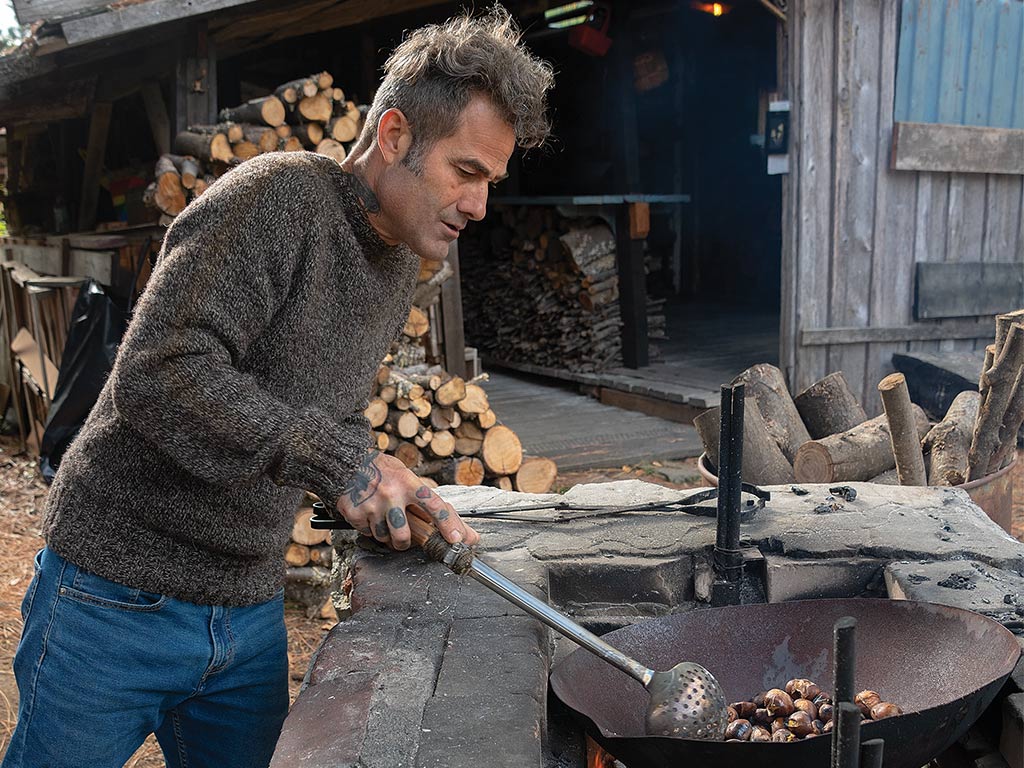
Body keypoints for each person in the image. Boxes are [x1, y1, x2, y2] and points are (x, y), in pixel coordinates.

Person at [2, 7, 553, 767]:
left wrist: (376, 471)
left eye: (490, 181)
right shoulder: (277, 198)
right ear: (395, 136)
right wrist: (338, 461)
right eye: (466, 172)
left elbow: (311, 413)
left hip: (246, 606)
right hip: (116, 593)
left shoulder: (395, 263)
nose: (480, 204)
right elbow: (158, 372)